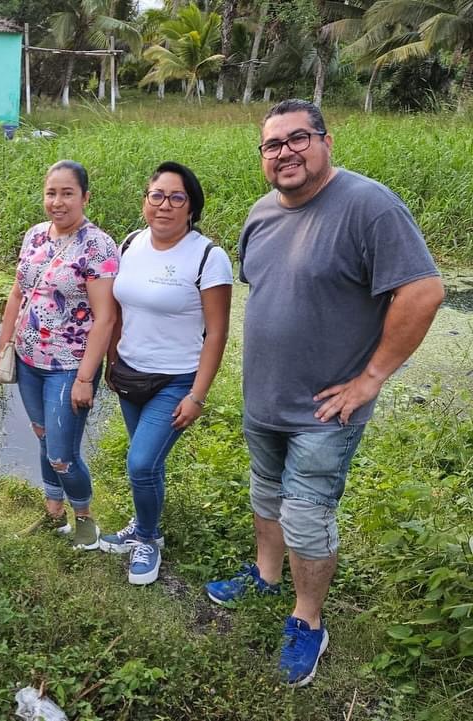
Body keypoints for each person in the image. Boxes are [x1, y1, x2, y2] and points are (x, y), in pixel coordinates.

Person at [204, 99, 444, 686]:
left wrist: (371, 378)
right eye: (272, 145)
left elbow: (424, 291)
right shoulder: (260, 214)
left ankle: (308, 620)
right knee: (266, 493)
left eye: (297, 139)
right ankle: (265, 573)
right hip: (264, 398)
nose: (284, 152)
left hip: (323, 411)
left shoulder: (368, 206)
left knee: (307, 518)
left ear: (325, 142)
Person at [99, 162, 232, 585]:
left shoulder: (208, 257)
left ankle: (149, 539)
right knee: (149, 464)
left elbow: (217, 333)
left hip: (175, 380)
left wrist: (197, 395)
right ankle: (141, 525)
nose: (165, 205)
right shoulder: (131, 243)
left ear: (191, 207)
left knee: (139, 463)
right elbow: (118, 310)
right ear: (145, 201)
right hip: (130, 373)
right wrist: (110, 360)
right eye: (156, 195)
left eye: (177, 198)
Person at [0, 160, 118, 550]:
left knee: (63, 453)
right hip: (29, 360)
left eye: (67, 193)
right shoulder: (34, 236)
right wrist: (3, 344)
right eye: (52, 193)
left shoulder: (98, 245)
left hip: (69, 366)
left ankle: (84, 521)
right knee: (44, 437)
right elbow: (18, 292)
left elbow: (105, 317)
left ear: (85, 197)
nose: (58, 202)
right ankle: (52, 512)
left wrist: (85, 378)